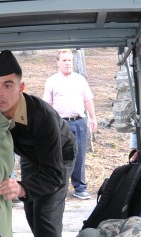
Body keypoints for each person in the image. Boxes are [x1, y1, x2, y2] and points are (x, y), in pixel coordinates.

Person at [0, 50, 77, 237]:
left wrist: (21, 187)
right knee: (31, 208)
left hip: (60, 156)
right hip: (30, 154)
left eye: (7, 85)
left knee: (45, 214)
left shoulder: (42, 116)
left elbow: (53, 174)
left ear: (21, 87)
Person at [42, 49, 97, 199]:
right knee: (58, 155)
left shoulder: (80, 79)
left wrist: (93, 118)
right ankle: (60, 187)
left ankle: (79, 187)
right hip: (60, 124)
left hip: (79, 122)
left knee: (79, 155)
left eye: (70, 60)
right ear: (58, 62)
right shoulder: (52, 81)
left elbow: (87, 99)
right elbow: (47, 105)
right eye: (64, 60)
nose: (68, 63)